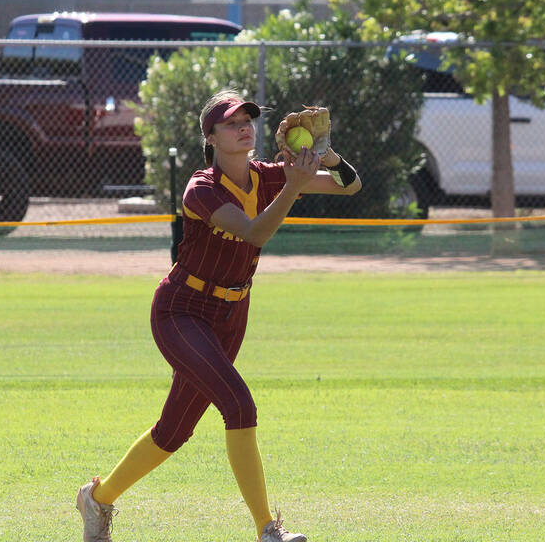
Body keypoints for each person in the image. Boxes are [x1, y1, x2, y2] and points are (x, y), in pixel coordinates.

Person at [76, 89, 361, 542]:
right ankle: (268, 529)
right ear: (210, 137)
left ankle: (97, 498)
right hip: (181, 311)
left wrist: (326, 156)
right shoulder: (203, 188)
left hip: (231, 313)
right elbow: (254, 233)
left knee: (174, 431)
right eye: (230, 122)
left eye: (247, 119)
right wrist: (292, 185)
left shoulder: (268, 176)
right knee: (238, 403)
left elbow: (350, 185)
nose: (243, 125)